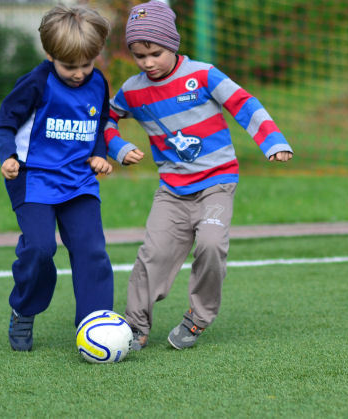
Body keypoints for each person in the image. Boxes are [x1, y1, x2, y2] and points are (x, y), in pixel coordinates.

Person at [104, 0, 293, 350]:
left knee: (210, 244)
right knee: (153, 255)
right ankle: (135, 326)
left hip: (216, 184)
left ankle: (197, 319)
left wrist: (273, 141)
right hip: (171, 191)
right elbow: (107, 120)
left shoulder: (203, 75)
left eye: (154, 53)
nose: (147, 63)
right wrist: (117, 149)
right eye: (138, 56)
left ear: (172, 44)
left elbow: (243, 102)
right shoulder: (132, 90)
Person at [0, 5, 114, 351]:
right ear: (50, 54)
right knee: (41, 248)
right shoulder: (35, 82)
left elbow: (101, 123)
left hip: (78, 180)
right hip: (32, 177)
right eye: (69, 66)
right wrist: (8, 157)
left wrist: (101, 155)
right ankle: (24, 309)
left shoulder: (98, 83)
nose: (79, 74)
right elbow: (4, 123)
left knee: (91, 250)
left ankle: (96, 326)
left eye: (87, 65)